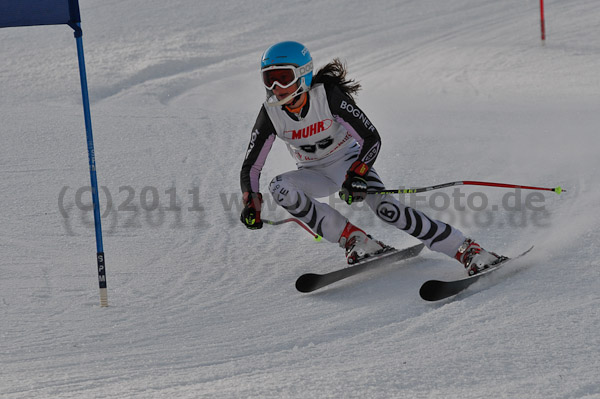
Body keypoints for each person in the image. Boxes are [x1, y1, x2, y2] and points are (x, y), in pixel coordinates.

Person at [240, 40, 503, 275]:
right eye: (269, 79)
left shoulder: (327, 97)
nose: (277, 88)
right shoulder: (270, 114)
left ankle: (468, 250)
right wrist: (252, 201)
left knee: (386, 209)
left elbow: (371, 138)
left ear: (303, 75)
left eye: (283, 78)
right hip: (313, 172)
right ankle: (355, 239)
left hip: (348, 163)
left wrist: (358, 173)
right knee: (279, 187)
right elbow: (252, 166)